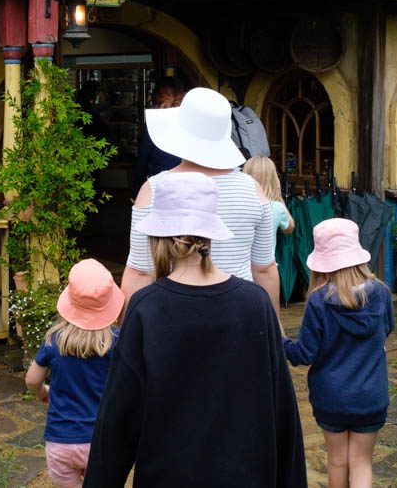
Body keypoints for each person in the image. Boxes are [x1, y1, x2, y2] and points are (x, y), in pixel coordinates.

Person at [84, 173, 306, 487]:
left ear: (158, 237)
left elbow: (118, 420)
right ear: (210, 235)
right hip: (247, 475)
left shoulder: (145, 308)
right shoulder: (255, 304)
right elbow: (283, 413)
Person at [121, 87, 280, 317]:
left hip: (171, 316)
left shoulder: (154, 190)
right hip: (239, 316)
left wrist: (128, 331)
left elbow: (140, 273)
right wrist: (274, 328)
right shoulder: (253, 190)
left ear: (179, 132)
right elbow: (264, 269)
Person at [283, 218, 394, 488]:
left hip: (331, 396)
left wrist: (282, 342)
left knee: (337, 461)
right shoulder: (381, 293)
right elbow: (387, 329)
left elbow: (304, 354)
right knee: (362, 462)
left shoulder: (318, 301)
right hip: (370, 394)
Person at [25, 258, 124, 488]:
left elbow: (32, 380)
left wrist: (42, 393)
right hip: (100, 441)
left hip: (60, 443)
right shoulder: (116, 342)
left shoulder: (53, 339)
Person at [128, 77, 184, 195]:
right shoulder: (191, 121)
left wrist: (136, 191)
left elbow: (142, 162)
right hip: (190, 190)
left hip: (159, 190)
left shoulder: (154, 124)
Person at [243, 155, 296, 246]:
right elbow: (290, 228)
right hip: (266, 259)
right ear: (274, 179)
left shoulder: (239, 204)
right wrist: (279, 197)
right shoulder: (277, 207)